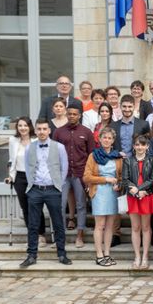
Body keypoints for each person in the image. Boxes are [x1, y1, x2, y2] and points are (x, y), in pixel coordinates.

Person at [19, 119, 71, 268]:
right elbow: (28, 169)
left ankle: (62, 254)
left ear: (49, 131)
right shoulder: (30, 147)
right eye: (39, 129)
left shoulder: (59, 147)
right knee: (33, 224)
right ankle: (31, 255)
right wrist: (31, 185)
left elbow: (64, 167)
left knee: (58, 223)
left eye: (44, 129)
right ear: (35, 131)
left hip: (53, 189)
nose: (41, 132)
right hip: (35, 189)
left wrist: (59, 185)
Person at [53, 105, 95, 247]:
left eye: (74, 114)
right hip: (63, 175)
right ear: (66, 114)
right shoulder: (59, 132)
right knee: (59, 205)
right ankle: (60, 236)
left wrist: (89, 176)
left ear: (79, 115)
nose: (71, 116)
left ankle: (79, 236)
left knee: (81, 205)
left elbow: (91, 155)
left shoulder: (87, 132)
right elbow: (54, 155)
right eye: (69, 114)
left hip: (80, 174)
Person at [83, 127, 123, 267]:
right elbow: (86, 177)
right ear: (99, 139)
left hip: (113, 193)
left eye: (109, 138)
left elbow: (121, 176)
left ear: (113, 141)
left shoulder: (118, 157)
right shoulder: (93, 156)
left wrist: (119, 184)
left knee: (110, 226)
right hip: (99, 192)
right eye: (104, 137)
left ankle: (107, 254)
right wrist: (105, 180)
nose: (107, 140)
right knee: (100, 225)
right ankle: (99, 255)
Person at [6, 117, 46, 246]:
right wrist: (10, 176)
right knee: (25, 207)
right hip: (20, 177)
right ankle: (32, 234)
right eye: (20, 126)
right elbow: (11, 160)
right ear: (17, 127)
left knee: (36, 205)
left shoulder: (36, 140)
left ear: (30, 127)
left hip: (35, 177)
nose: (22, 128)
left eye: (25, 125)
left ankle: (41, 235)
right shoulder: (13, 140)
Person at [123, 135, 153, 270]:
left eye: (142, 145)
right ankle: (137, 256)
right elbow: (125, 179)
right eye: (137, 145)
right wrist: (133, 189)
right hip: (132, 196)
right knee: (135, 227)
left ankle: (145, 256)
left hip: (146, 196)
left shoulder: (152, 160)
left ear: (147, 146)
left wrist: (141, 190)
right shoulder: (128, 161)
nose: (140, 147)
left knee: (146, 227)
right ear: (133, 146)